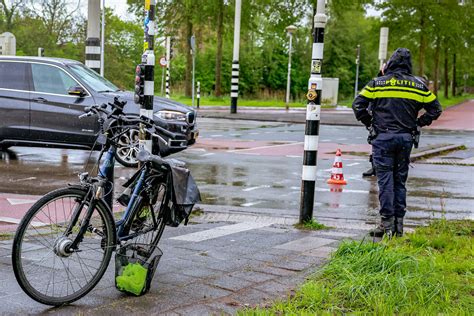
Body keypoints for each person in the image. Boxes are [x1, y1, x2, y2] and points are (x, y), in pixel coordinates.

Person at [352, 48, 442, 237]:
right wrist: (418, 123)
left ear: (390, 63)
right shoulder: (418, 85)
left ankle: (386, 224)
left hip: (382, 138)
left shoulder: (378, 83)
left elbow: (358, 104)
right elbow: (435, 109)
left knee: (385, 181)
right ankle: (399, 226)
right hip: (405, 138)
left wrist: (369, 123)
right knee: (400, 182)